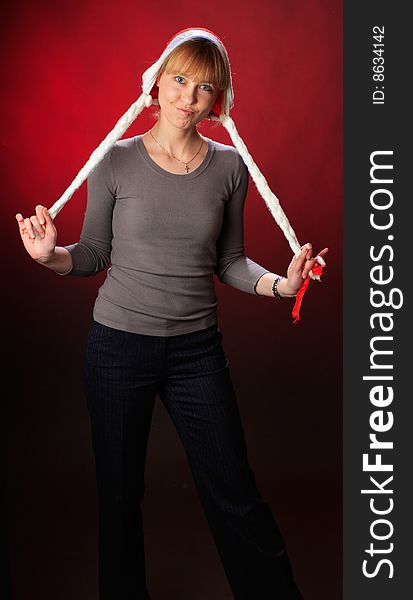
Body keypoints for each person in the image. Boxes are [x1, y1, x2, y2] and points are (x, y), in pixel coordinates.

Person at [15, 27, 327, 600]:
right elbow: (93, 255)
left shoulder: (230, 169)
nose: (188, 96)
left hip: (195, 354)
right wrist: (50, 257)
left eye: (204, 87)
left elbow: (229, 261)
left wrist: (282, 286)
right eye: (179, 79)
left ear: (218, 102)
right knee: (118, 497)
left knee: (235, 491)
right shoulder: (116, 161)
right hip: (117, 347)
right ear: (156, 83)